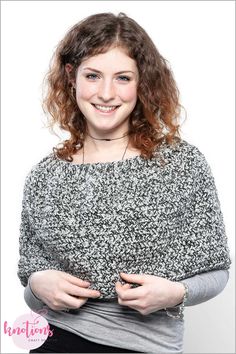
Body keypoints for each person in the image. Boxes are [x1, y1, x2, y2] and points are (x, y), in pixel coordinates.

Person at [17, 12, 231, 354]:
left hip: (148, 345)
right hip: (57, 340)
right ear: (72, 78)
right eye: (92, 76)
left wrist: (176, 293)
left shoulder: (179, 164)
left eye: (122, 78)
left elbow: (217, 271)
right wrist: (37, 284)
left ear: (142, 82)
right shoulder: (45, 176)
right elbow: (33, 286)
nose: (105, 93)